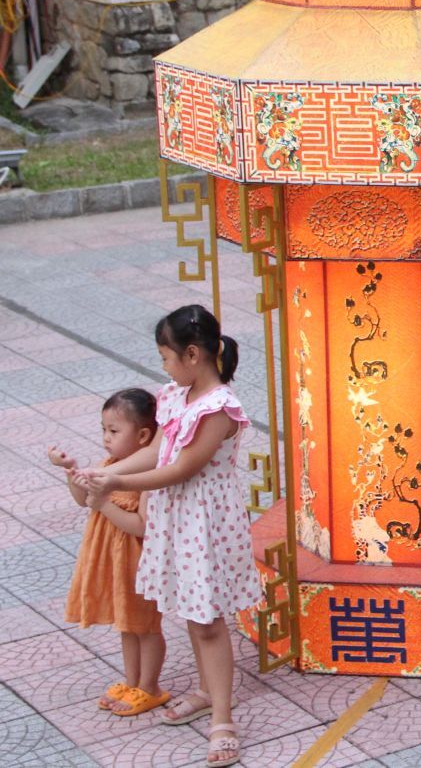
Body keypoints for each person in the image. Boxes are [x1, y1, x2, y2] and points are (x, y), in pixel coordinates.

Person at [76, 306, 261, 768]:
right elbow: (158, 452)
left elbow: (181, 468)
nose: (164, 366)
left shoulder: (219, 408)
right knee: (193, 613)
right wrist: (102, 471)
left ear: (192, 354)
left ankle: (223, 720)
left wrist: (116, 481)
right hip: (178, 518)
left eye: (165, 356)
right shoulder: (176, 393)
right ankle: (206, 691)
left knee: (208, 621)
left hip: (205, 522)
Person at [48, 389, 167, 718]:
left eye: (114, 431)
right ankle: (132, 682)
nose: (106, 438)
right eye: (104, 430)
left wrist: (103, 503)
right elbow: (82, 499)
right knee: (126, 625)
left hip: (137, 564)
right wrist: (71, 470)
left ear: (143, 436)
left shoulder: (148, 477)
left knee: (146, 626)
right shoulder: (110, 466)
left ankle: (150, 687)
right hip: (115, 562)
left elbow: (141, 526)